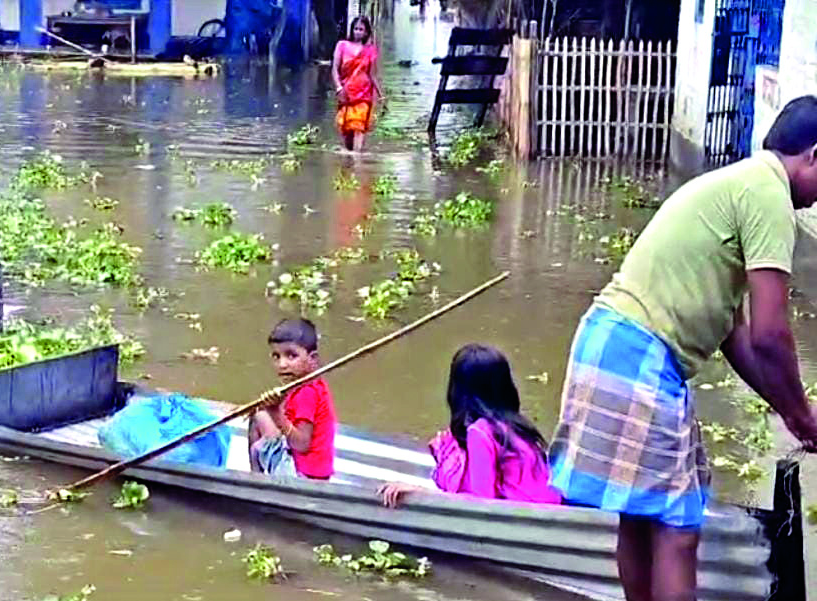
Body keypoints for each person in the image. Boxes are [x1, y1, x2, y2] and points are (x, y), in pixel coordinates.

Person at [548, 95, 817, 601]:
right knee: (678, 528)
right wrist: (804, 416)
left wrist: (790, 411)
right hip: (640, 353)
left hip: (607, 342)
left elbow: (736, 336)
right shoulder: (770, 196)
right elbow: (771, 334)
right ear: (814, 155)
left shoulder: (739, 182)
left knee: (642, 515)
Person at [377, 344, 561, 507]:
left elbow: (481, 503)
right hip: (549, 508)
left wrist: (419, 492)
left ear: (457, 390)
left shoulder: (480, 432)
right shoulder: (516, 425)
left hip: (526, 516)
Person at [249, 318, 337, 480]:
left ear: (313, 359)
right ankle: (257, 475)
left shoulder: (307, 393)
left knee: (259, 417)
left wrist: (275, 412)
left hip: (303, 476)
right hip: (310, 470)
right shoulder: (307, 384)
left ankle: (256, 479)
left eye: (291, 356)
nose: (282, 364)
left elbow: (301, 445)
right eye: (276, 356)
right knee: (259, 412)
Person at [332, 16, 381, 152]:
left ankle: (357, 159)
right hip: (346, 94)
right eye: (356, 29)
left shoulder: (370, 50)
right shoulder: (342, 45)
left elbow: (372, 74)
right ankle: (349, 159)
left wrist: (381, 95)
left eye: (361, 29)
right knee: (347, 132)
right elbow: (335, 69)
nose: (358, 32)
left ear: (366, 32)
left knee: (358, 126)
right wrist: (338, 87)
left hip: (364, 94)